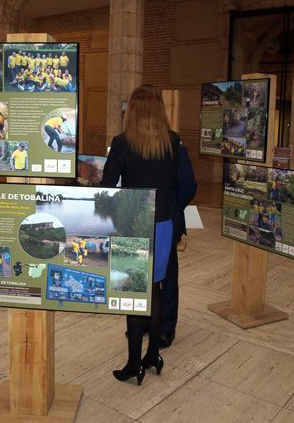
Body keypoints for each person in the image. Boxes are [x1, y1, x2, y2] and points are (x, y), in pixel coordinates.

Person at [101, 84, 181, 385]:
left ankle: (134, 363)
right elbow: (173, 184)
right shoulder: (173, 142)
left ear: (132, 110)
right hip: (162, 223)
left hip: (134, 221)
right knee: (155, 289)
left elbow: (108, 184)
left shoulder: (122, 143)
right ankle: (152, 355)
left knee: (133, 295)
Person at [160, 141, 196, 348]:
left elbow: (188, 185)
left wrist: (174, 206)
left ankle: (166, 327)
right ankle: (146, 319)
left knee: (168, 273)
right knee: (141, 270)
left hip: (168, 219)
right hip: (138, 218)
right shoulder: (130, 143)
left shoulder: (176, 147)